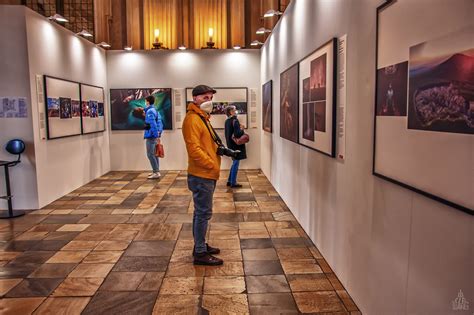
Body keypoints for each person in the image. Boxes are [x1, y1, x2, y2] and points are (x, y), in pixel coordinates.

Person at [182, 84, 223, 266]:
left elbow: (207, 143)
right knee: (203, 213)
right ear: (195, 99)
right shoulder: (192, 119)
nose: (209, 101)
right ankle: (200, 253)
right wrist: (211, 163)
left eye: (210, 98)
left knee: (201, 213)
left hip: (207, 173)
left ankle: (200, 245)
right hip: (202, 174)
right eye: (205, 98)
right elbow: (194, 149)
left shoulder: (202, 118)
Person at [224, 105, 247, 188]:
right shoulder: (235, 120)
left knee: (234, 162)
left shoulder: (227, 121)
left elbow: (228, 134)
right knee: (236, 163)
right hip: (236, 145)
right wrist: (242, 129)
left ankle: (230, 181)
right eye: (234, 110)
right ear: (231, 112)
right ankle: (233, 183)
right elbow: (237, 134)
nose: (236, 111)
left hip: (230, 144)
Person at [144, 95, 163, 179]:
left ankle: (156, 172)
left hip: (151, 136)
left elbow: (153, 124)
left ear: (148, 101)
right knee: (154, 154)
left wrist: (156, 135)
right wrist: (159, 134)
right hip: (154, 135)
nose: (145, 103)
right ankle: (156, 171)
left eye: (145, 101)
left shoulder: (150, 111)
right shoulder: (155, 110)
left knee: (150, 154)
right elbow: (160, 122)